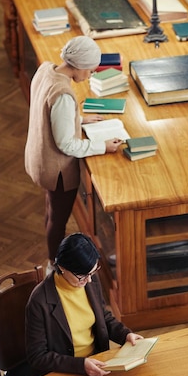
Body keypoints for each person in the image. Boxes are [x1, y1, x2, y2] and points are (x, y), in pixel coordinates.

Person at [24, 36, 124, 273]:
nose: (89, 76)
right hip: (56, 168)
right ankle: (53, 267)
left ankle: (53, 260)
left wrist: (77, 119)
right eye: (89, 70)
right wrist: (103, 146)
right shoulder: (64, 95)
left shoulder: (46, 70)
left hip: (39, 156)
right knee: (58, 220)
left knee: (51, 211)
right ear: (78, 66)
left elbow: (46, 112)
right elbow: (66, 145)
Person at [25, 232, 143, 376]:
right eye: (82, 276)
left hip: (97, 361)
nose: (88, 281)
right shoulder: (39, 301)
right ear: (62, 267)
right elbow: (37, 356)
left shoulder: (90, 278)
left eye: (92, 272)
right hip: (64, 371)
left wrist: (125, 335)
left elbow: (104, 317)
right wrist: (80, 365)